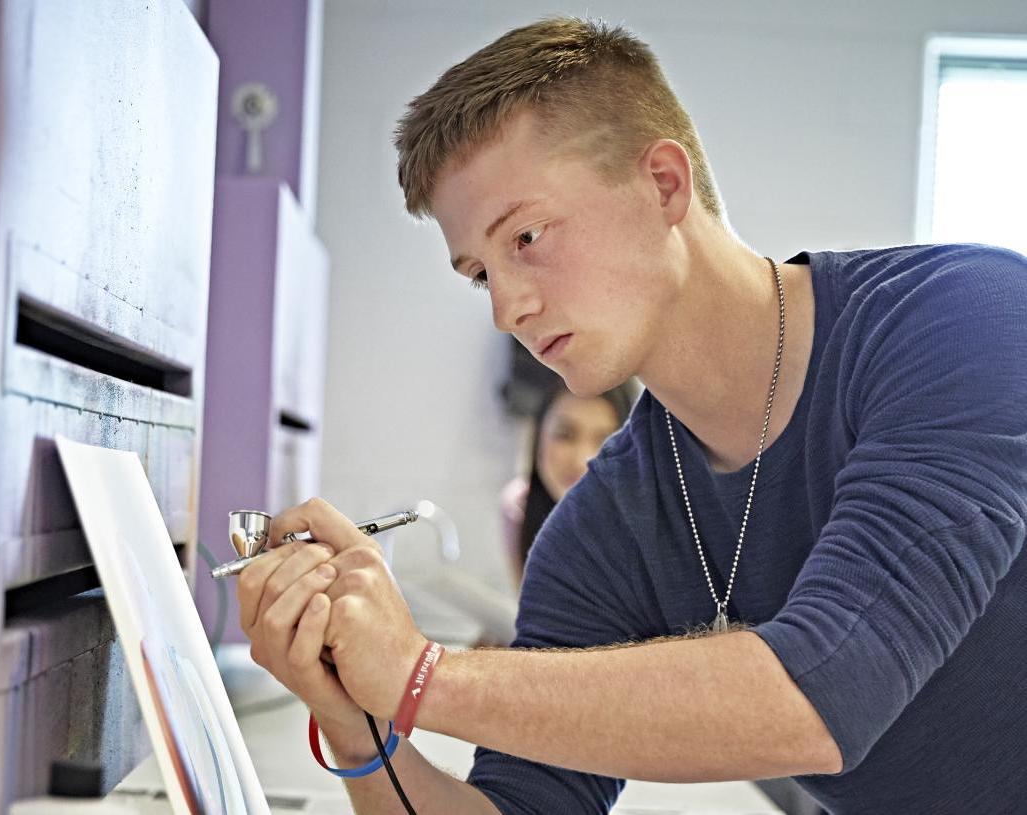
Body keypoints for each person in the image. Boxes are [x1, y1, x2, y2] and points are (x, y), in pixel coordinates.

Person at [236, 17, 1027, 815]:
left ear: (662, 184)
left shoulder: (963, 318)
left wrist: (417, 674)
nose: (507, 308)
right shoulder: (605, 527)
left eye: (527, 235)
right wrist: (357, 724)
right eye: (480, 274)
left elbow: (827, 688)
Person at [501, 383, 634, 588]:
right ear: (538, 436)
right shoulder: (518, 507)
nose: (581, 460)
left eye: (605, 441)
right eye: (565, 434)